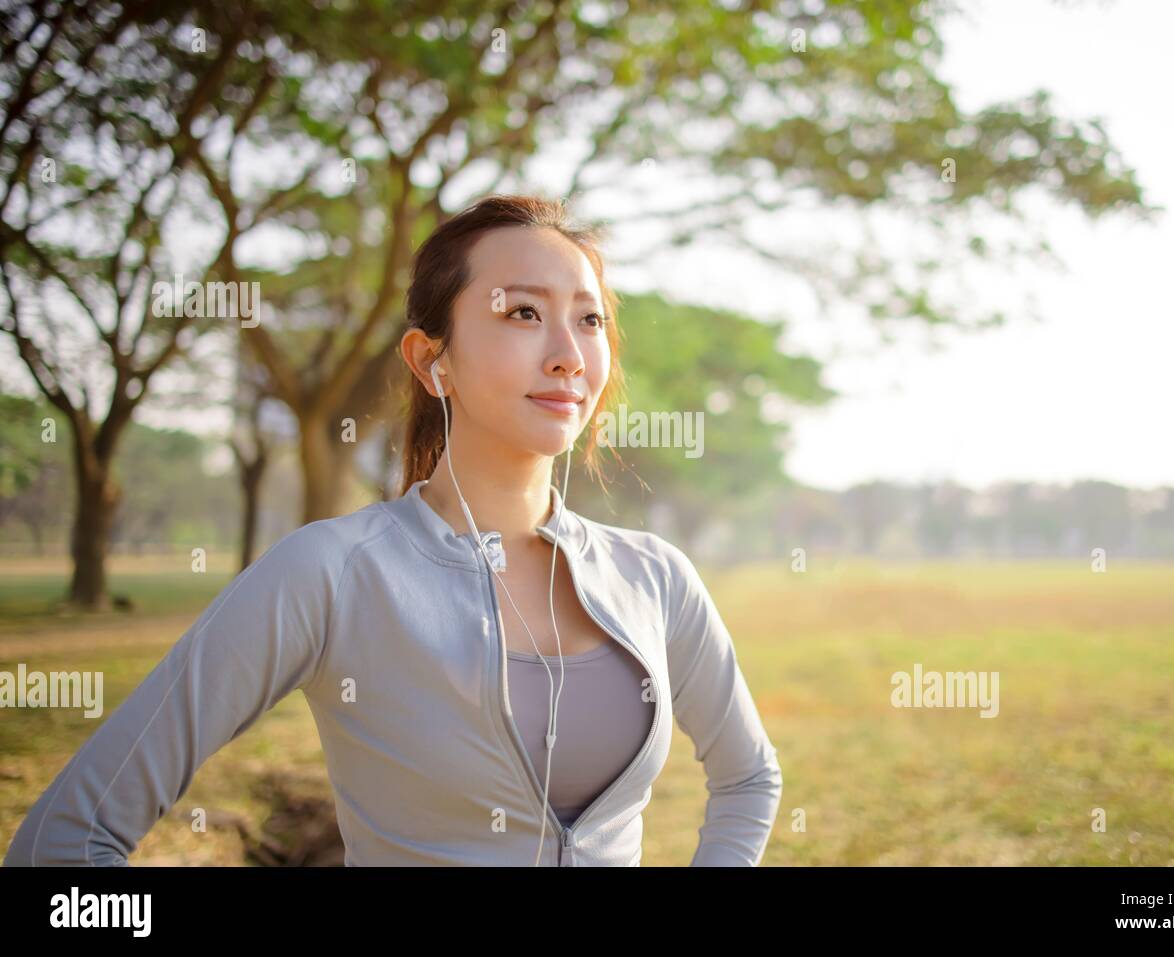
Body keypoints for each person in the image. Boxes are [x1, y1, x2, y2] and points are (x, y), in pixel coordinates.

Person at [3, 193, 783, 867]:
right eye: (522, 312)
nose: (569, 355)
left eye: (590, 320)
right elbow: (64, 842)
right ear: (430, 360)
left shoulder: (655, 576)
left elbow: (748, 777)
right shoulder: (332, 573)